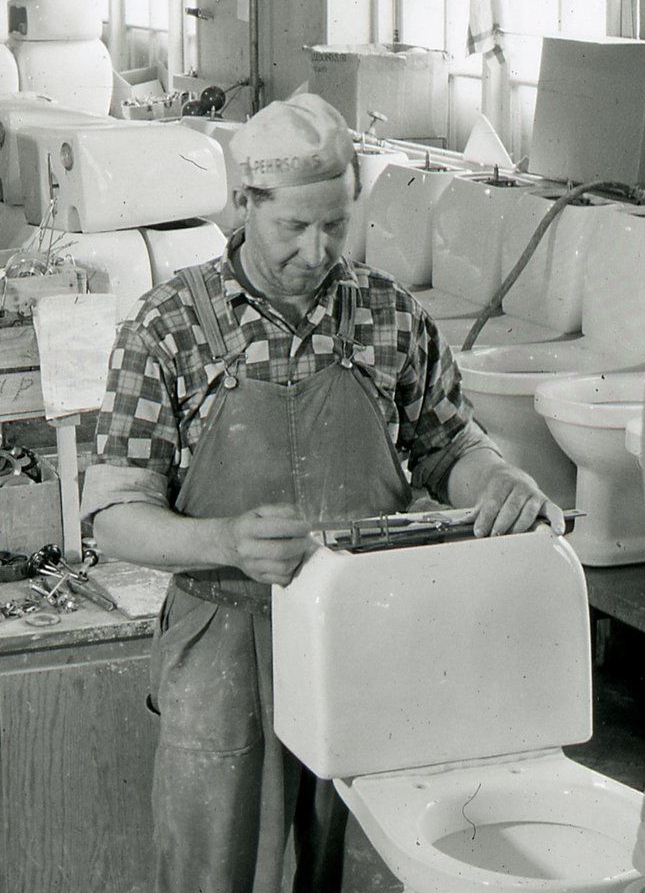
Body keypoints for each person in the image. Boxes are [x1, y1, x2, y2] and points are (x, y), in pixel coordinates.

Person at [83, 92, 564, 893]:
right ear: (243, 205)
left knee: (368, 860)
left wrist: (500, 480)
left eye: (335, 224)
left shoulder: (387, 314)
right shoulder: (166, 327)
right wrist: (223, 541)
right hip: (225, 641)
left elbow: (449, 445)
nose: (316, 250)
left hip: (368, 635)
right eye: (292, 227)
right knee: (215, 868)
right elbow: (115, 519)